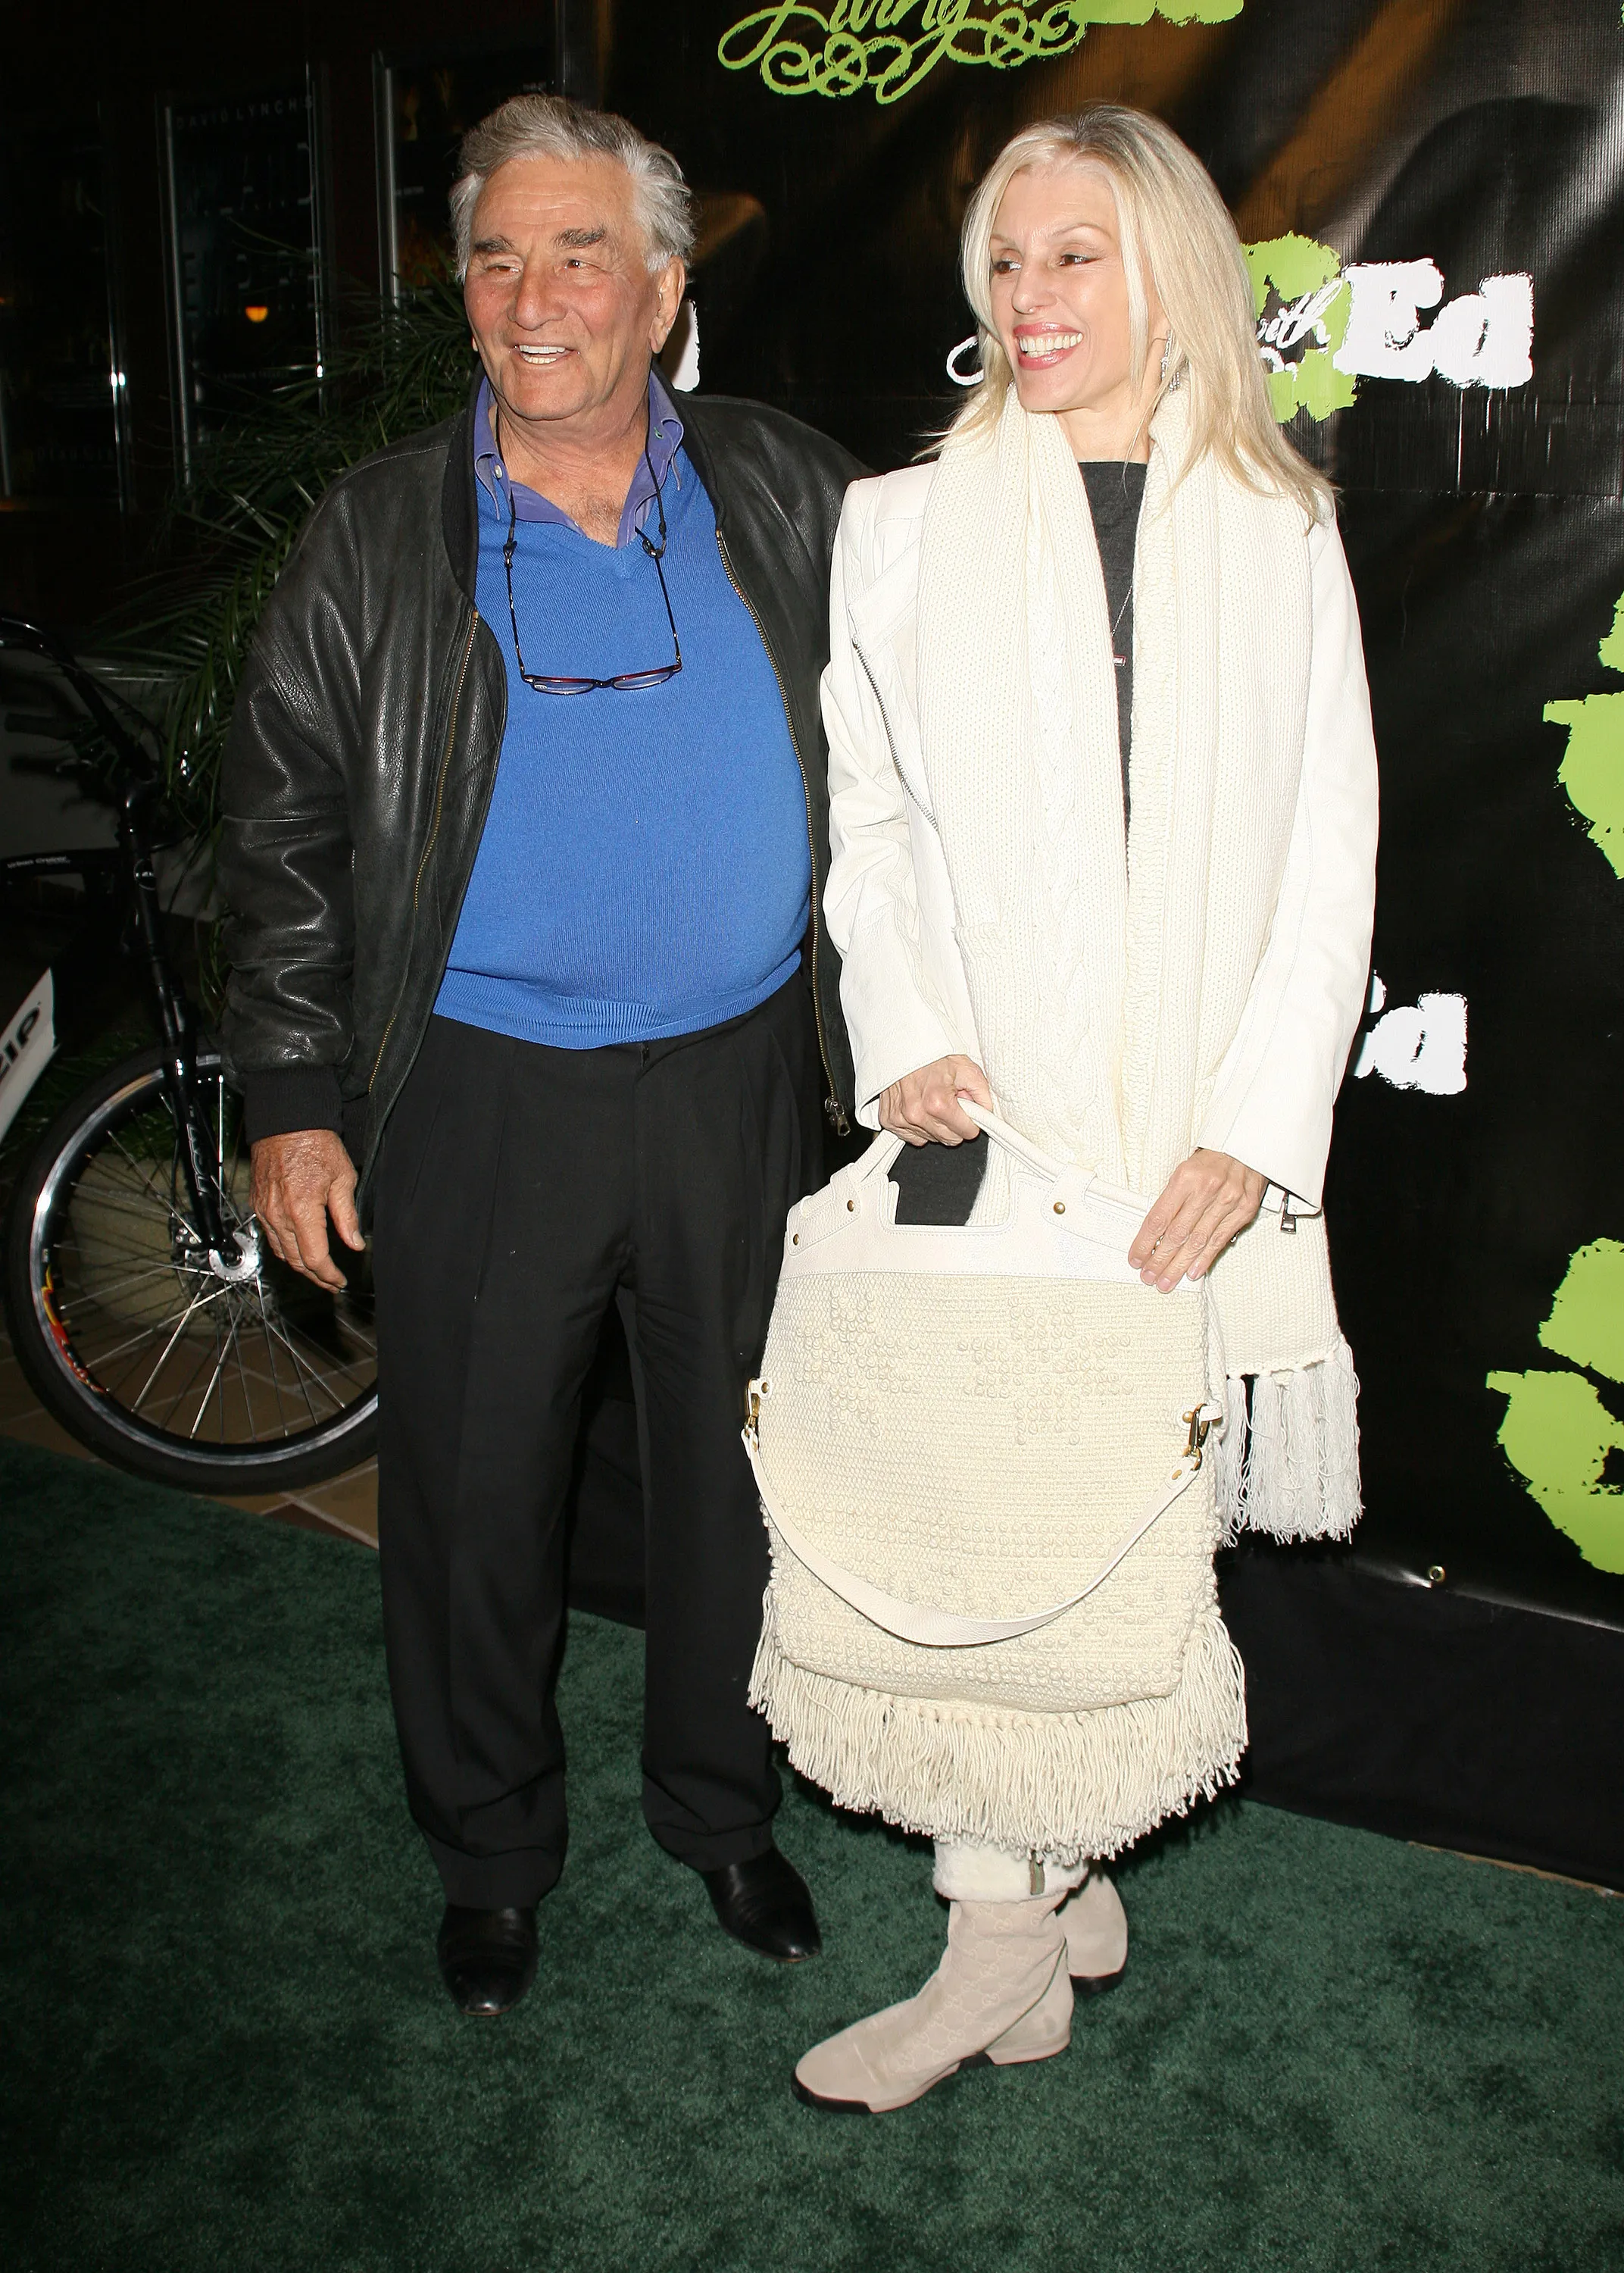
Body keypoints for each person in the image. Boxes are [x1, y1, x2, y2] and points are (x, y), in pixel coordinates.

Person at [218, 95, 863, 2017]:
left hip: (752, 1079)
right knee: (478, 1494)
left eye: (578, 253)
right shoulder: (377, 534)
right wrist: (294, 1098)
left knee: (742, 1485)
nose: (530, 295)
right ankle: (489, 1853)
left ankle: (722, 1809)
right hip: (484, 1090)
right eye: (496, 255)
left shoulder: (791, 488)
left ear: (663, 293)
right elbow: (279, 829)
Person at [794, 105, 1379, 2110]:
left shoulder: (1275, 524)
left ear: (1169, 276)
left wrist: (1256, 1124)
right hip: (998, 1118)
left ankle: (1038, 1902)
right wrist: (909, 1029)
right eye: (1005, 263)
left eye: (1071, 258)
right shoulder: (903, 523)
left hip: (1192, 1131)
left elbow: (1329, 857)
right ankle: (999, 1928)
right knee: (991, 1523)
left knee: (1127, 1520)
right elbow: (869, 825)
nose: (1028, 300)